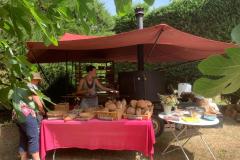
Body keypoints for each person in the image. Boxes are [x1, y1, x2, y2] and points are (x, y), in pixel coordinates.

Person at [16, 72, 45, 160]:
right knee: (34, 139)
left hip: (18, 116)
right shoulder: (31, 87)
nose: (38, 82)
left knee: (23, 139)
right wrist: (43, 111)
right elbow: (38, 104)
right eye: (37, 80)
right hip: (28, 115)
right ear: (35, 79)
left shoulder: (20, 86)